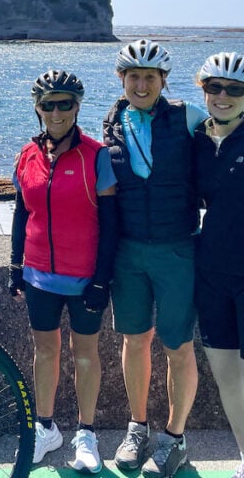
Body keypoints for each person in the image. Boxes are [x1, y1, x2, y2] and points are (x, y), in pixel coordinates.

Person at [103, 39, 206, 478]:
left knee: (178, 345)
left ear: (164, 80)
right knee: (134, 340)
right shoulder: (111, 122)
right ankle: (137, 427)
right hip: (128, 252)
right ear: (121, 78)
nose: (141, 85)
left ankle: (174, 437)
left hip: (177, 249)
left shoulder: (189, 117)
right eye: (134, 76)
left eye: (150, 77)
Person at [9, 70, 118, 473]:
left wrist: (102, 280)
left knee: (84, 354)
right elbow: (21, 214)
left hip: (84, 276)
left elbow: (110, 224)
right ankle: (45, 427)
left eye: (65, 104)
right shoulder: (26, 155)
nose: (56, 112)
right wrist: (15, 265)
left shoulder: (96, 155)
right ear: (38, 108)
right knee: (44, 352)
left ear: (77, 106)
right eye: (48, 104)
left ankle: (86, 434)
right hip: (39, 274)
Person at [193, 52, 244, 478]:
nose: (223, 95)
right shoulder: (197, 140)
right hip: (211, 275)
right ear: (204, 89)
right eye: (215, 87)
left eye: (235, 88)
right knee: (227, 376)